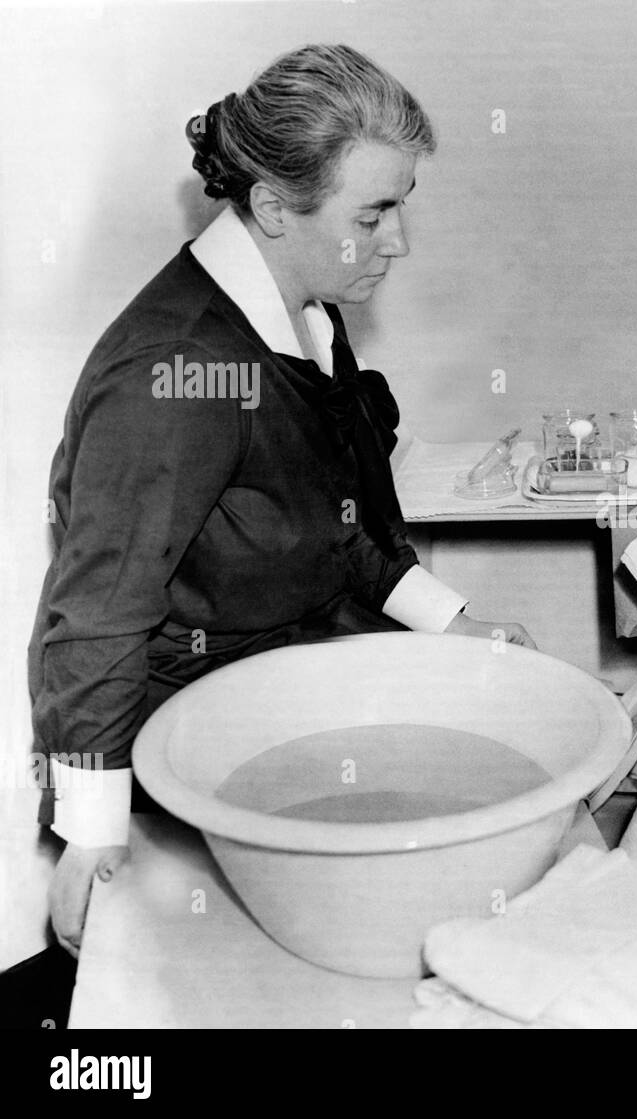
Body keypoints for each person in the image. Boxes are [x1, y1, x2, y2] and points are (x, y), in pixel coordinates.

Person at [29, 44, 535, 956]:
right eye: (373, 214)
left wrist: (454, 623)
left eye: (400, 208)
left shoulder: (306, 307)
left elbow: (337, 523)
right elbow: (96, 616)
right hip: (195, 742)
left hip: (298, 684)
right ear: (271, 206)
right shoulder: (176, 373)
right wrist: (92, 829)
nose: (399, 242)